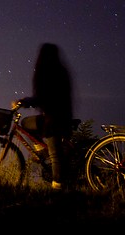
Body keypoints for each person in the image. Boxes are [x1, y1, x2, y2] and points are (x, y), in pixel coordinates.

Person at [17, 43, 73, 190]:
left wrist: (25, 101)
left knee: (55, 155)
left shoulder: (49, 72)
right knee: (26, 123)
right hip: (57, 116)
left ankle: (58, 186)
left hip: (55, 118)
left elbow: (44, 96)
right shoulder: (60, 70)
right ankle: (42, 150)